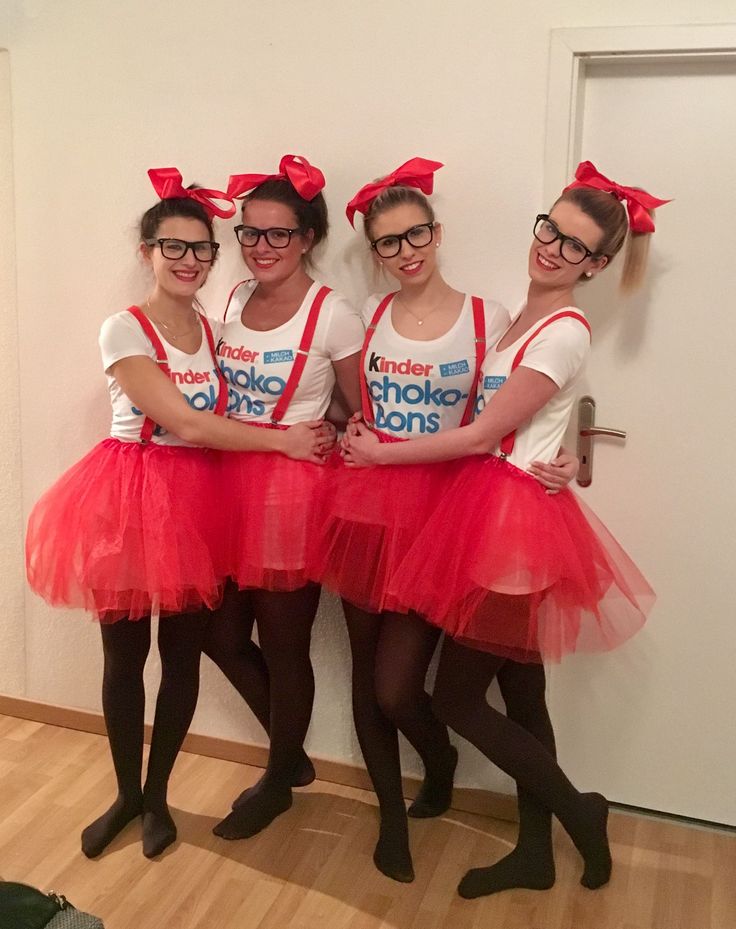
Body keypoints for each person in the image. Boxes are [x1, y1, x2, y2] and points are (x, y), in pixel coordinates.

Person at [342, 161, 666, 895]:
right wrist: (563, 447)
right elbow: (536, 414)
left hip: (511, 528)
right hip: (494, 512)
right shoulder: (526, 316)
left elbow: (480, 433)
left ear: (599, 264)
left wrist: (379, 452)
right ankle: (536, 850)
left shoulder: (561, 329)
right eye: (551, 228)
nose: (553, 247)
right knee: (521, 697)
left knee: (456, 698)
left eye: (576, 246)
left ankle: (580, 813)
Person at [25, 168, 330, 860]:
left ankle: (158, 797)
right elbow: (188, 424)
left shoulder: (214, 329)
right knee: (123, 658)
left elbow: (252, 399)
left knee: (183, 657)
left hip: (199, 504)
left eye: (203, 249)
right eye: (175, 247)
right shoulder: (122, 329)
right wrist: (283, 440)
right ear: (147, 251)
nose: (190, 260)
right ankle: (125, 794)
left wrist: (328, 427)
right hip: (129, 501)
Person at [308, 158, 578, 882]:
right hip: (365, 509)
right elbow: (343, 401)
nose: (406, 251)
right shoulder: (366, 317)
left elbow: (527, 404)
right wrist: (336, 428)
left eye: (416, 233)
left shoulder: (492, 317)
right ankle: (393, 819)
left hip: (454, 516)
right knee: (375, 680)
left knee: (430, 685)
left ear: (437, 231)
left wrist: (566, 454)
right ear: (375, 252)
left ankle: (455, 765)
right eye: (389, 242)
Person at [200, 155, 364, 841]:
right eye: (250, 233)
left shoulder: (334, 314)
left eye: (278, 234)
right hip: (224, 478)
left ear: (307, 238)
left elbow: (360, 408)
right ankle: (291, 755)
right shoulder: (232, 299)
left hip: (291, 495)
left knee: (284, 641)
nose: (261, 246)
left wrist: (326, 427)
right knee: (217, 632)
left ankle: (277, 777)